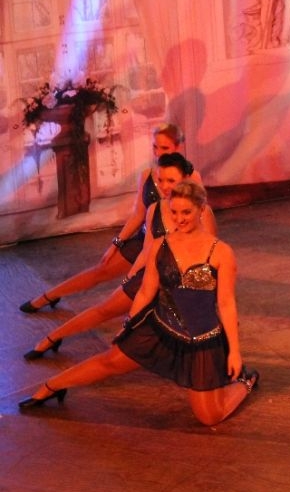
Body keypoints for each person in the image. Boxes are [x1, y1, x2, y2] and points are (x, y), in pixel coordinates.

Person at [18, 180, 258, 426]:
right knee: (110, 361)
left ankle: (246, 381)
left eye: (186, 212)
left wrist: (234, 353)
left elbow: (226, 304)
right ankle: (51, 386)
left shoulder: (221, 252)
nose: (179, 218)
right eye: (174, 212)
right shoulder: (161, 245)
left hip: (202, 342)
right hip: (160, 330)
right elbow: (145, 291)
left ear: (201, 208)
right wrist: (129, 325)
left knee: (209, 417)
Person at [23, 153, 216, 359]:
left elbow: (209, 262)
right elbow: (147, 251)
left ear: (186, 179)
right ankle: (52, 338)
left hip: (181, 289)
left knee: (139, 351)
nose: (164, 186)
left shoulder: (202, 212)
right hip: (151, 279)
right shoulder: (154, 209)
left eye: (171, 180)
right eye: (161, 180)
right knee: (105, 309)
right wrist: (128, 279)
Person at [20, 123, 201, 313]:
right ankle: (47, 296)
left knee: (131, 298)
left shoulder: (191, 177)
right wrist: (116, 244)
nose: (158, 153)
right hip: (145, 240)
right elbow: (138, 214)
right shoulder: (147, 175)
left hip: (174, 247)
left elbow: (199, 219)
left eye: (164, 148)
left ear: (178, 147)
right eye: (155, 147)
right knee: (101, 269)